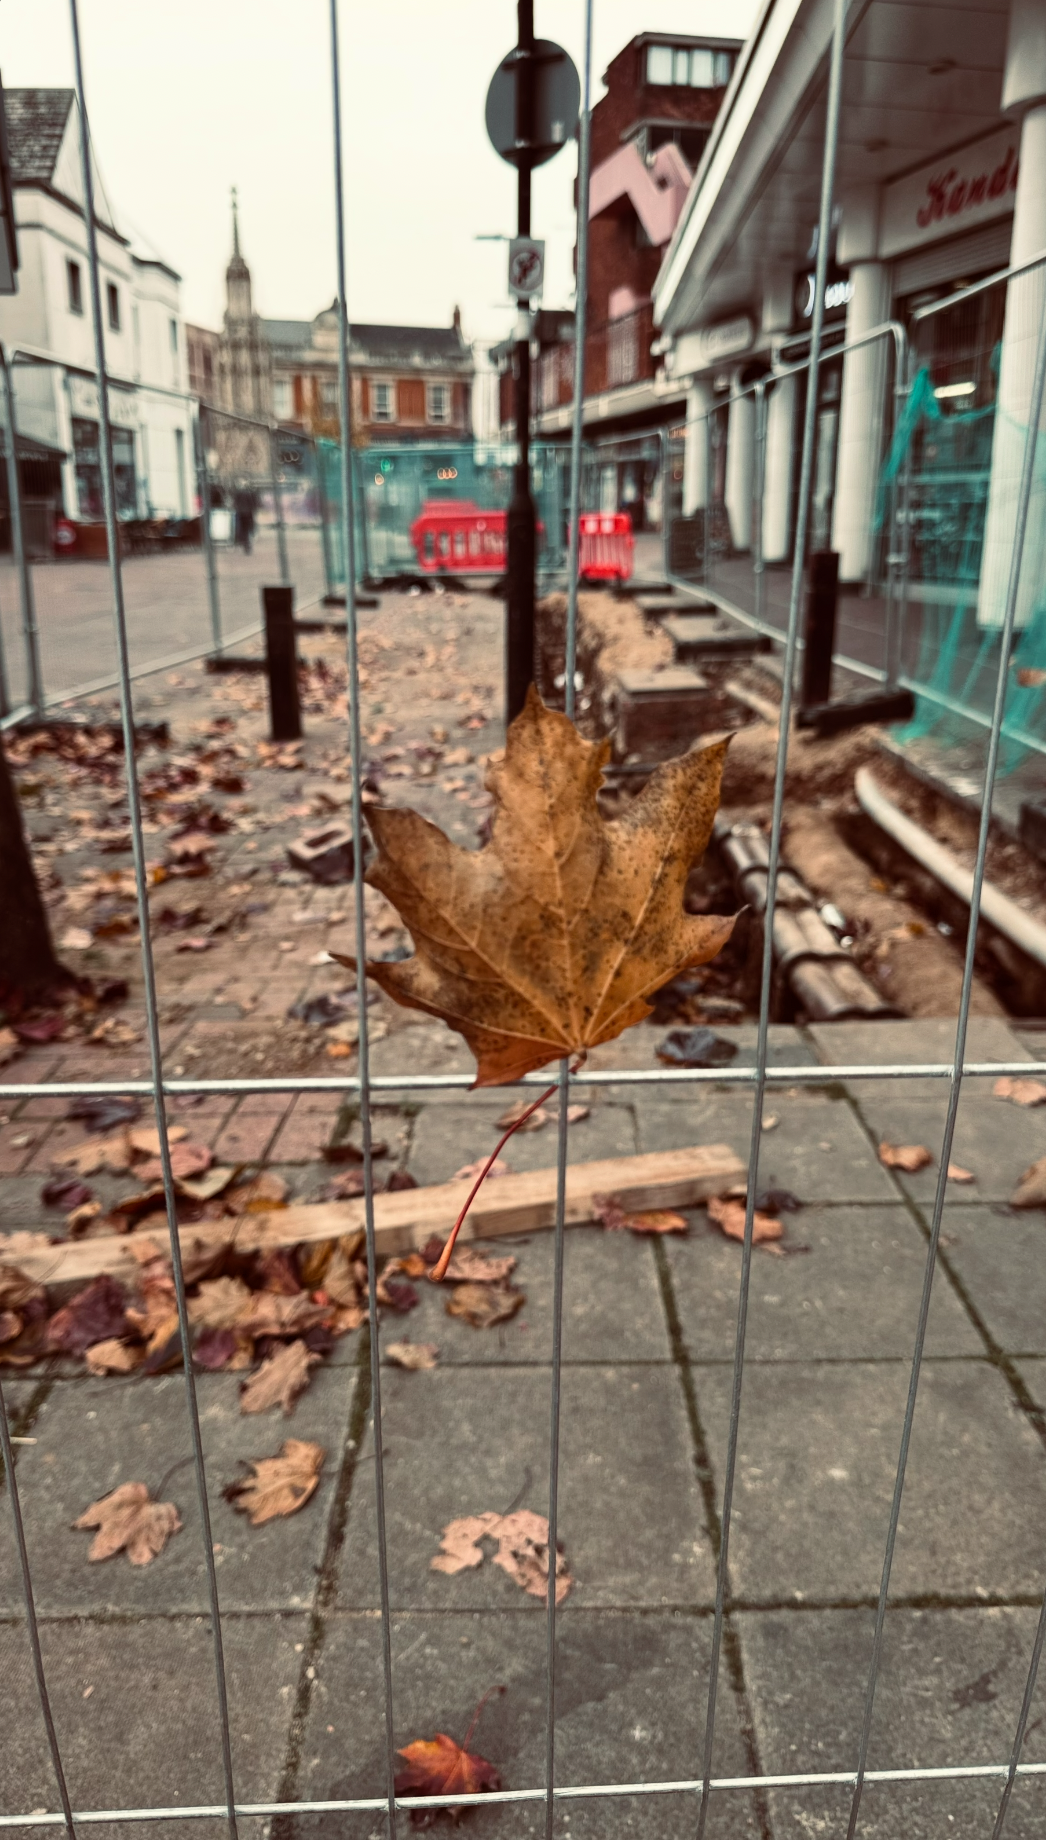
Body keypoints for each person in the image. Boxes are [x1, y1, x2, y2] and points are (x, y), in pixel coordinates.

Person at [233, 485, 255, 555]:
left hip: (241, 513)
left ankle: (243, 542)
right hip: (248, 513)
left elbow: (235, 502)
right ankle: (247, 544)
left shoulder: (238, 493)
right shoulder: (249, 493)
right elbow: (252, 503)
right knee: (247, 529)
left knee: (242, 529)